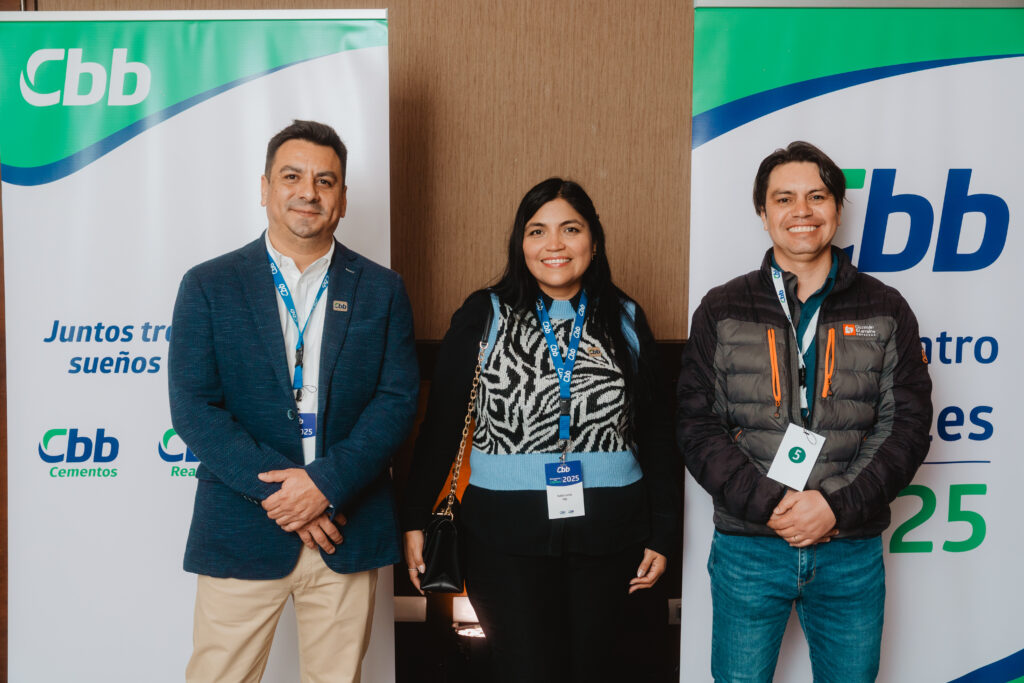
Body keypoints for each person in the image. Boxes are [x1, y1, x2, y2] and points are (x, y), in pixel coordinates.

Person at [168, 119, 419, 682]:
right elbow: (193, 408)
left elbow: (396, 402)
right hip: (241, 526)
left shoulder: (382, 290)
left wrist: (324, 484)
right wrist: (287, 495)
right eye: (292, 177)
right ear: (264, 188)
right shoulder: (208, 285)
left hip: (346, 526)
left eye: (325, 181)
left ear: (343, 199)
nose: (309, 192)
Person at [402, 177, 679, 683]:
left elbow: (657, 432)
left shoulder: (624, 316)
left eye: (570, 229)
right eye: (537, 231)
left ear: (593, 240)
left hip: (612, 535)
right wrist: (415, 516)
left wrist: (664, 531)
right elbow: (441, 425)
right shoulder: (484, 313)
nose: (554, 244)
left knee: (598, 672)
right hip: (502, 539)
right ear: (520, 243)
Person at [677, 141, 932, 682]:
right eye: (784, 198)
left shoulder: (885, 307)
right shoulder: (722, 308)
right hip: (749, 548)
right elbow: (697, 426)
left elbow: (906, 427)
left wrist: (835, 506)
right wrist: (770, 504)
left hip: (849, 549)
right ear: (762, 212)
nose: (802, 211)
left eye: (817, 196)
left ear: (837, 208)